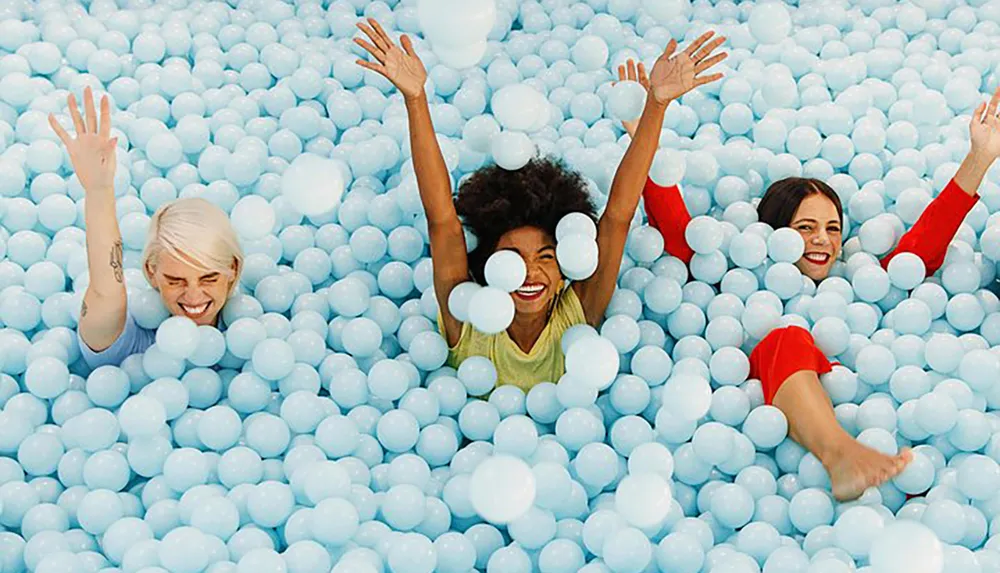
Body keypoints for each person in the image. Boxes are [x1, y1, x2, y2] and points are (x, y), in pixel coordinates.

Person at [630, 69, 1000, 500]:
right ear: (772, 234)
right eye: (805, 228)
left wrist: (980, 158)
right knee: (786, 339)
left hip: (875, 416)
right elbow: (680, 233)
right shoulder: (738, 279)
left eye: (831, 227)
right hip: (763, 439)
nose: (822, 239)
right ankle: (841, 455)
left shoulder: (861, 278)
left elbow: (921, 249)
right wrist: (646, 137)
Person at [354, 18, 727, 393]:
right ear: (485, 267)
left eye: (547, 256)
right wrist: (415, 99)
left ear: (567, 268)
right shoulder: (467, 319)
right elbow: (441, 220)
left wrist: (656, 106)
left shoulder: (578, 314)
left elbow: (617, 216)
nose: (531, 271)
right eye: (514, 256)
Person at [49, 87, 245, 369]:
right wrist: (98, 189)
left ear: (233, 271)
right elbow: (106, 290)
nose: (193, 296)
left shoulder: (248, 326)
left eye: (208, 278)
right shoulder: (131, 340)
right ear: (151, 272)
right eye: (175, 280)